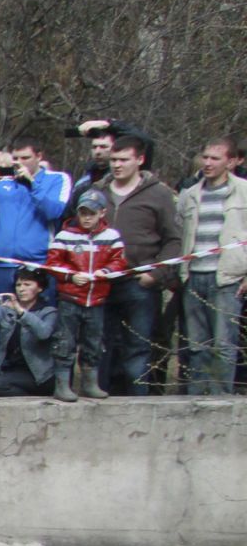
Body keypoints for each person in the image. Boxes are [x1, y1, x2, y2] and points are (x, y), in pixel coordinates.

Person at [93, 135, 181, 395]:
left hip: (139, 283)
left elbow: (174, 240)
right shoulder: (97, 191)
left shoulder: (159, 193)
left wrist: (156, 274)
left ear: (140, 160)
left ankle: (137, 402)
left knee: (138, 347)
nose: (117, 165)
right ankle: (99, 403)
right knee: (100, 346)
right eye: (113, 160)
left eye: (123, 160)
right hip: (102, 282)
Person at [172, 136, 247, 396]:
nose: (208, 163)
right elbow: (180, 229)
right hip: (193, 276)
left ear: (231, 162)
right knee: (195, 345)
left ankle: (219, 401)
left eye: (215, 158)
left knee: (224, 344)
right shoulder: (190, 194)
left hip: (227, 278)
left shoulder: (244, 191)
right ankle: (195, 398)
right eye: (205, 157)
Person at [43, 189, 126, 402]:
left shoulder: (112, 237)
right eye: (83, 213)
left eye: (92, 213)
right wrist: (71, 276)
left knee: (94, 341)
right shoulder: (65, 236)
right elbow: (52, 264)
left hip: (97, 299)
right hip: (70, 298)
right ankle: (62, 384)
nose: (87, 218)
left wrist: (105, 272)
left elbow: (119, 261)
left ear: (102, 213)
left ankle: (90, 382)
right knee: (65, 340)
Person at [0, 137, 71, 294]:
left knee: (36, 316)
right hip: (2, 263)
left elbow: (53, 212)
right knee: (1, 315)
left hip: (37, 263)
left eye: (25, 158)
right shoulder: (2, 182)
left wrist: (32, 184)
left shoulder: (56, 179)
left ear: (39, 157)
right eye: (15, 158)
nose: (19, 163)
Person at [0, 267, 58, 399]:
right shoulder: (6, 309)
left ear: (39, 288)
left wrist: (20, 311)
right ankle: (7, 391)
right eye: (18, 285)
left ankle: (32, 400)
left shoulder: (49, 311)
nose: (21, 289)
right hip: (9, 369)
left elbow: (43, 333)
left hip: (37, 374)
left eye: (27, 284)